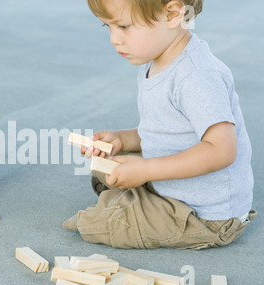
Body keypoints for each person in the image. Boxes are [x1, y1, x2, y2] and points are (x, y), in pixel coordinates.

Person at [63, 0, 256, 249]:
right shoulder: (157, 57)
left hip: (206, 215)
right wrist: (123, 139)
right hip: (176, 188)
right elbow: (167, 132)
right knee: (106, 167)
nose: (114, 38)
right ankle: (138, 196)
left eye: (123, 26)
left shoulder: (197, 77)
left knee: (100, 222)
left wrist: (145, 170)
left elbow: (222, 150)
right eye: (107, 26)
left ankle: (135, 201)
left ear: (173, 14)